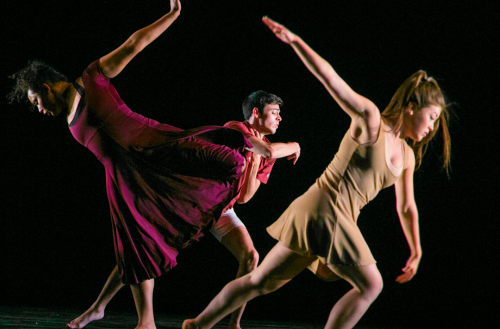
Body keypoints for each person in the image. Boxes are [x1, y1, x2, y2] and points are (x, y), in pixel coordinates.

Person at [7, 1, 268, 328]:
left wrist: (171, 16)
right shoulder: (70, 121)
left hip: (153, 149)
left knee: (222, 153)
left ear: (45, 88)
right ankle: (140, 319)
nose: (40, 109)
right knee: (136, 242)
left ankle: (258, 146)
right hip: (126, 178)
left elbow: (135, 44)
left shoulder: (92, 77)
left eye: (36, 101)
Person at [183, 16, 451, 329]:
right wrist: (296, 41)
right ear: (411, 107)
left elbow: (406, 207)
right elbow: (330, 78)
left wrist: (416, 249)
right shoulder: (370, 119)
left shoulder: (406, 156)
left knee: (260, 282)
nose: (432, 127)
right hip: (324, 209)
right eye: (431, 117)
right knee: (371, 284)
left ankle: (197, 325)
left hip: (329, 218)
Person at [65, 90, 301, 329]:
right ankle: (98, 308)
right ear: (255, 113)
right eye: (274, 113)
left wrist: (255, 162)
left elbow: (244, 198)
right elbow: (269, 150)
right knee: (143, 250)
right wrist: (294, 145)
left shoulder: (268, 152)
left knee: (250, 256)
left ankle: (234, 324)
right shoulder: (235, 129)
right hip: (194, 203)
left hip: (222, 208)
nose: (279, 118)